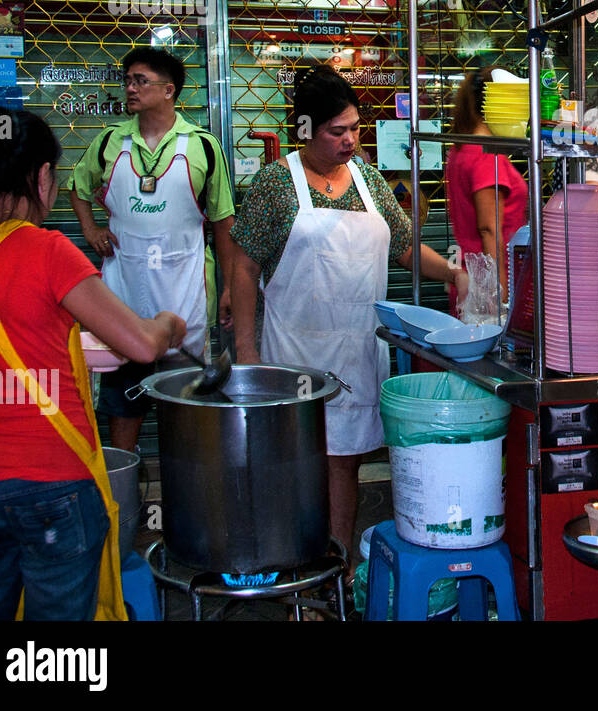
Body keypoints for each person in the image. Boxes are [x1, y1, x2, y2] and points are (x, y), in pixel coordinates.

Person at [0, 107, 186, 621]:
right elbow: (142, 344)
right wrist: (170, 322)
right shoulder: (47, 250)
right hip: (50, 487)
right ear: (41, 177)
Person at [230, 62, 466, 561]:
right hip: (295, 354)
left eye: (355, 127)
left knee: (345, 464)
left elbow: (404, 246)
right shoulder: (277, 184)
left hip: (358, 351)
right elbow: (245, 265)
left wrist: (453, 273)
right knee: (297, 466)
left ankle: (335, 571)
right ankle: (290, 568)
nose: (351, 140)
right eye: (337, 131)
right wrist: (246, 352)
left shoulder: (368, 180)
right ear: (306, 130)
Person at [67, 46, 235, 453]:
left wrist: (229, 287)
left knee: (189, 402)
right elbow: (77, 187)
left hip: (187, 292)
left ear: (169, 90)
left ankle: (193, 481)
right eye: (127, 80)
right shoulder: (110, 142)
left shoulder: (203, 146)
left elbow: (223, 222)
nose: (130, 88)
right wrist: (89, 228)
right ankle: (126, 480)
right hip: (123, 292)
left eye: (140, 80)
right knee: (123, 403)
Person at [445, 68, 529, 307]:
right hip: (487, 287)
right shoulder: (486, 154)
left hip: (471, 279)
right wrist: (500, 292)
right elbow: (489, 229)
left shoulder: (463, 147)